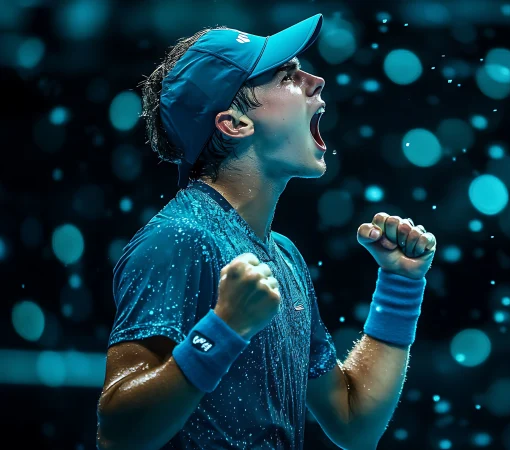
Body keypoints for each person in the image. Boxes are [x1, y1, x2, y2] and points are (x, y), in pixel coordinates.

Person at [95, 14, 437, 450]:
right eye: (287, 75)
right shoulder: (177, 240)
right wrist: (225, 328)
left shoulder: (284, 257)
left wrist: (401, 285)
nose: (316, 81)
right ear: (234, 122)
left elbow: (354, 422)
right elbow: (118, 435)